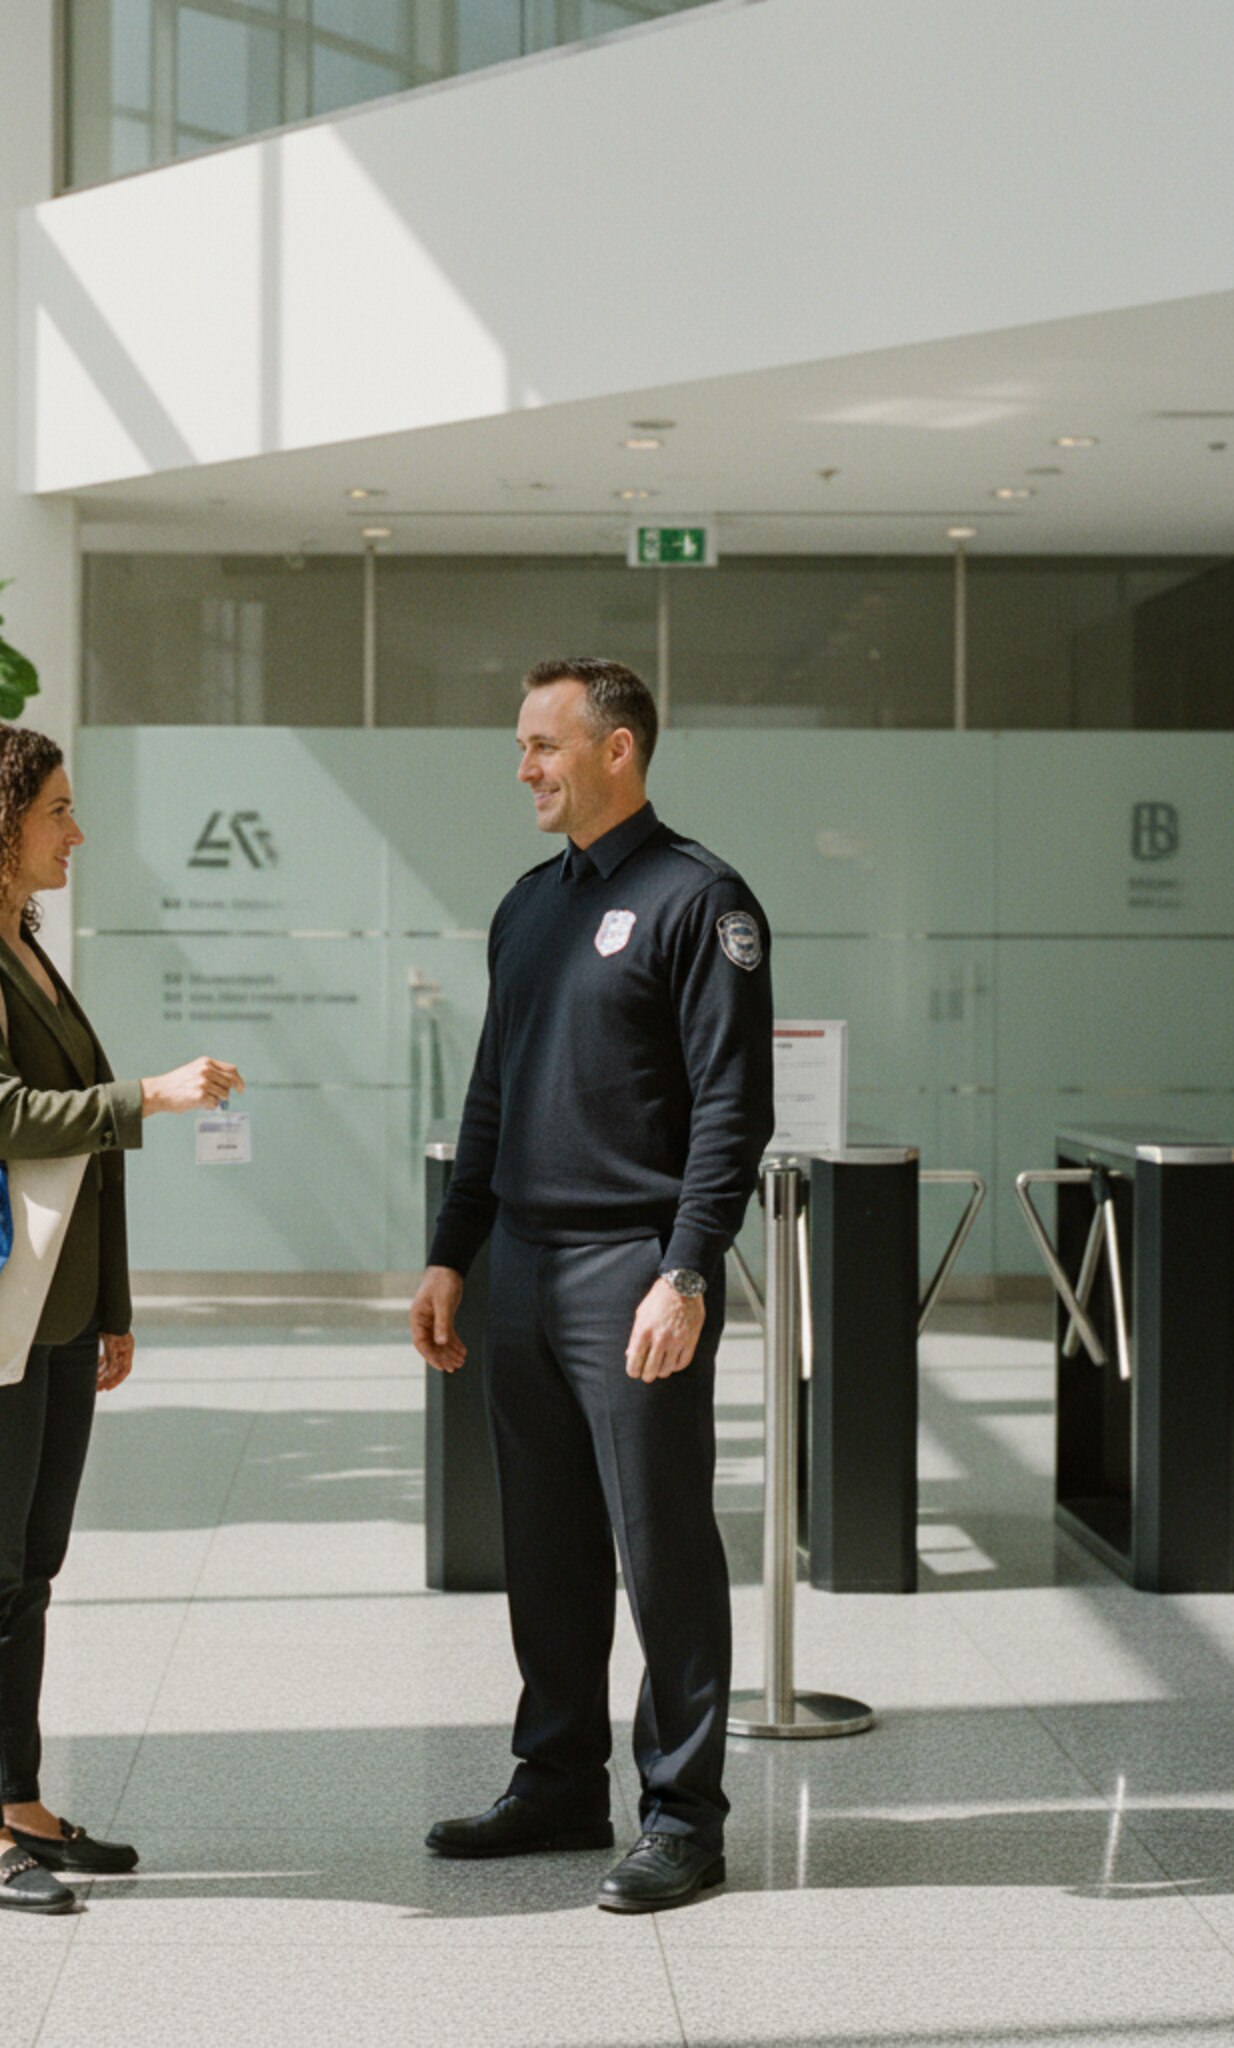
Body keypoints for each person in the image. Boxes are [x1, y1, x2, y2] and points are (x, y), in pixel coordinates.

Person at [409, 657, 774, 1914]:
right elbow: (492, 1093)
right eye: (521, 745)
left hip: (633, 1270)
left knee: (660, 1543)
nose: (523, 767)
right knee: (548, 1543)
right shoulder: (526, 905)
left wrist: (685, 1269)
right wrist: (454, 1248)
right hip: (524, 1265)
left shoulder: (698, 899)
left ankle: (683, 1813)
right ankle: (558, 1778)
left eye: (543, 745)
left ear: (617, 749)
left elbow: (733, 1107)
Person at [0, 723, 244, 1915]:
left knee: (29, 1563)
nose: (75, 832)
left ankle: (20, 1796)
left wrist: (112, 1309)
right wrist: (149, 1092)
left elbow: (86, 1166)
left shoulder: (16, 944)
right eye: (57, 811)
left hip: (55, 1308)